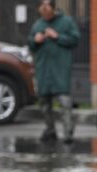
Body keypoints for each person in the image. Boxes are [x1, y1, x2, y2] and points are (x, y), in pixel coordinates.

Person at [28, 0, 80, 143]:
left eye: (47, 6)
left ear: (53, 7)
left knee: (64, 101)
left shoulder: (66, 22)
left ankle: (68, 131)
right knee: (44, 102)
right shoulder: (38, 25)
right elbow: (30, 44)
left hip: (60, 69)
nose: (43, 9)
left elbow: (75, 39)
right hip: (43, 69)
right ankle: (50, 129)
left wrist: (57, 36)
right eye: (41, 6)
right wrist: (35, 40)